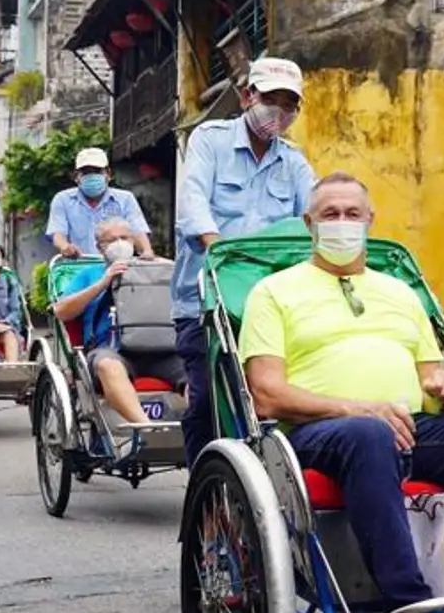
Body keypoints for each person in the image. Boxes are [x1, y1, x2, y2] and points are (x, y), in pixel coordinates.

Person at [239, 173, 444, 613]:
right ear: (309, 223)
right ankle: (411, 611)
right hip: (318, 432)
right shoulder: (274, 293)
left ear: (371, 221)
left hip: (407, 424)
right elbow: (267, 395)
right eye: (330, 214)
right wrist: (356, 409)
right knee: (370, 435)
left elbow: (428, 379)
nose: (342, 223)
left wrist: (442, 387)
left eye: (353, 214)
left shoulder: (401, 294)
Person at [171, 56, 316, 468]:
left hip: (269, 304)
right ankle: (204, 491)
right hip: (206, 300)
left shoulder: (293, 161)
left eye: (289, 104)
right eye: (271, 99)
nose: (279, 112)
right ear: (247, 96)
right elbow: (193, 202)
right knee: (205, 402)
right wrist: (217, 247)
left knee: (275, 398)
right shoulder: (210, 140)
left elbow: (316, 212)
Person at [52, 218, 180, 454]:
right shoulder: (90, 274)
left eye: (125, 238)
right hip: (110, 349)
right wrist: (104, 282)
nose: (120, 243)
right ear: (100, 246)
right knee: (108, 366)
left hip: (160, 349)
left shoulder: (153, 270)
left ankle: (190, 431)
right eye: (112, 240)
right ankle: (148, 432)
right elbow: (61, 311)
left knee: (197, 369)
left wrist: (159, 266)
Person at [47, 147, 152, 259]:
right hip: (77, 265)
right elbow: (57, 232)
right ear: (76, 176)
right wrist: (65, 247)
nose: (91, 176)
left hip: (116, 265)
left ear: (108, 174)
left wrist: (147, 251)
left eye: (97, 171)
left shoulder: (125, 199)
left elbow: (137, 229)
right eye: (86, 172)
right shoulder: (63, 199)